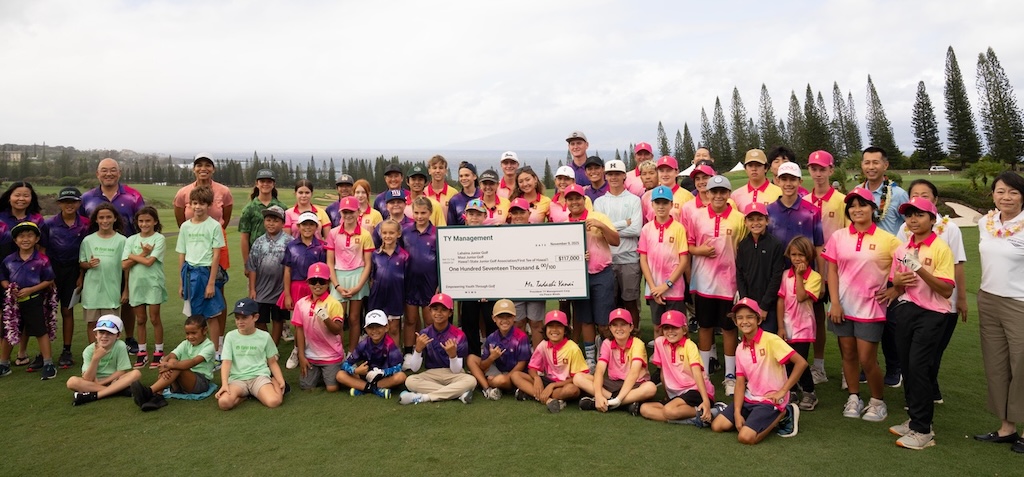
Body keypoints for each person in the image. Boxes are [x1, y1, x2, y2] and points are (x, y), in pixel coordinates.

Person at [880, 197, 954, 450]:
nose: (913, 219)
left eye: (920, 215)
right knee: (907, 366)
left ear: (932, 219)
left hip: (932, 313)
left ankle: (923, 430)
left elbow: (946, 290)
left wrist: (920, 269)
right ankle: (915, 419)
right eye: (909, 215)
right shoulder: (902, 249)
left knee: (919, 367)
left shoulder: (941, 248)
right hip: (907, 309)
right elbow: (897, 282)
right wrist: (898, 282)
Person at [822, 187, 901, 422]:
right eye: (852, 206)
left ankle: (877, 401)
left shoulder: (889, 240)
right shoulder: (839, 237)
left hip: (871, 308)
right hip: (842, 306)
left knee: (867, 359)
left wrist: (896, 289)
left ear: (873, 208)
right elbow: (832, 271)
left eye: (862, 205)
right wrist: (835, 303)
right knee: (848, 354)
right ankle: (854, 397)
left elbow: (909, 267)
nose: (857, 210)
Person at [896, 179, 967, 405]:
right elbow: (900, 262)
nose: (918, 199)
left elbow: (957, 265)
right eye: (914, 195)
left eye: (924, 195)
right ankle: (920, 399)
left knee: (929, 355)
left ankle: (923, 403)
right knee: (913, 358)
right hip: (911, 303)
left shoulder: (950, 229)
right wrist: (896, 283)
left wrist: (961, 299)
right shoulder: (905, 230)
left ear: (934, 202)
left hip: (940, 304)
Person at [974, 171, 1024, 453]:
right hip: (988, 300)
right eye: (1001, 191)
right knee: (996, 365)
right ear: (993, 195)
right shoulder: (986, 222)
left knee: (1022, 366)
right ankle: (1007, 428)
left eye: (1013, 192)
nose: (1006, 197)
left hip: (1019, 303)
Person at [710, 298, 806, 443]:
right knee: (717, 426)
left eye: (750, 317)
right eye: (740, 318)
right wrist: (737, 412)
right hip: (750, 397)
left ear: (758, 319)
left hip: (771, 399)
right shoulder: (740, 348)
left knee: (745, 437)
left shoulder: (771, 340)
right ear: (735, 322)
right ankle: (753, 417)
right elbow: (740, 383)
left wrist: (783, 391)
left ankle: (784, 413)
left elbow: (801, 363)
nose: (745, 321)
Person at [688, 176, 746, 396]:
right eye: (715, 192)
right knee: (705, 326)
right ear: (708, 193)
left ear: (729, 194)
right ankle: (703, 373)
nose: (718, 196)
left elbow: (742, 250)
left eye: (723, 192)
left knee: (729, 328)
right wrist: (699, 251)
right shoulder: (697, 216)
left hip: (729, 284)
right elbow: (689, 245)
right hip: (704, 283)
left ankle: (730, 376)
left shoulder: (739, 219)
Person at [174, 153, 233, 359]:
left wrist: (210, 281)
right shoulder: (183, 196)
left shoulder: (222, 193)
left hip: (210, 263)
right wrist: (181, 280)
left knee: (215, 303)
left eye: (208, 165)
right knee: (194, 310)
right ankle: (199, 349)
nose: (203, 168)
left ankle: (217, 348)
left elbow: (226, 218)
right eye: (199, 165)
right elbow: (181, 226)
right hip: (191, 268)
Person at [859, 146, 909, 387]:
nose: (871, 167)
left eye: (875, 162)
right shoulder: (858, 193)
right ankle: (867, 364)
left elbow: (909, 229)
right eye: (866, 162)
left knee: (890, 322)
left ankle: (894, 368)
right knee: (864, 318)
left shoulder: (898, 194)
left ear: (885, 165)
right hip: (864, 267)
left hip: (891, 267)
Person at [804, 150, 849, 384]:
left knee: (841, 320)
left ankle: (847, 369)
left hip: (838, 270)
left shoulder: (842, 201)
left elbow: (849, 234)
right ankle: (819, 367)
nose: (818, 174)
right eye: (814, 169)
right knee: (816, 318)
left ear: (831, 170)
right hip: (811, 270)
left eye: (822, 169)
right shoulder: (803, 201)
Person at [566, 184, 620, 370]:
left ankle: (607, 351)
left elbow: (615, 241)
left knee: (604, 320)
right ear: (566, 202)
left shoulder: (598, 217)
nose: (574, 202)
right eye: (570, 199)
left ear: (584, 199)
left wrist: (601, 226)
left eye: (577, 198)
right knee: (586, 318)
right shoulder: (564, 224)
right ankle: (590, 357)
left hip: (601, 273)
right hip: (579, 277)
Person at [639, 310, 719, 426]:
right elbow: (663, 372)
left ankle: (710, 410)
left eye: (675, 327)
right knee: (645, 409)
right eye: (666, 328)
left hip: (695, 390)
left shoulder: (689, 345)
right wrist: (668, 397)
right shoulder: (659, 342)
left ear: (684, 329)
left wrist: (706, 400)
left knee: (669, 410)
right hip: (676, 394)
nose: (670, 331)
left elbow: (697, 373)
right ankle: (696, 418)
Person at [0, 221, 57, 379]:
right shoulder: (8, 260)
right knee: (9, 332)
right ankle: (3, 364)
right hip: (13, 304)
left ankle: (48, 363)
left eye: (30, 235)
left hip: (33, 300)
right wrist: (9, 288)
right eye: (21, 236)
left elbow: (49, 280)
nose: (25, 239)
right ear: (15, 240)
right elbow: (3, 278)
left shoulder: (42, 260)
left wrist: (31, 289)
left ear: (36, 239)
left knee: (40, 331)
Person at [1, 182, 49, 369]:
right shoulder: (1, 216)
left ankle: (22, 352)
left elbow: (42, 247)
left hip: (29, 275)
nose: (21, 199)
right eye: (17, 195)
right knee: (6, 316)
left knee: (25, 314)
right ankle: (3, 359)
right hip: (4, 272)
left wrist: (41, 270)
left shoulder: (37, 219)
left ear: (31, 198)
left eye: (26, 195)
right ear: (9, 196)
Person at [41, 187, 90, 369]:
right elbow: (42, 251)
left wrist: (81, 275)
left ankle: (66, 350)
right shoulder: (49, 224)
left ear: (79, 203)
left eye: (73, 201)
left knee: (67, 311)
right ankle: (42, 352)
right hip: (52, 271)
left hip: (73, 271)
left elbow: (87, 252)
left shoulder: (86, 224)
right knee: (47, 312)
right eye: (65, 201)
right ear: (59, 203)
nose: (69, 205)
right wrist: (47, 276)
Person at [574, 309, 657, 414]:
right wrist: (598, 395)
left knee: (650, 388)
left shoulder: (637, 343)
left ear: (631, 327)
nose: (619, 328)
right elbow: (599, 370)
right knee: (578, 377)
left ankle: (609, 403)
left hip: (635, 384)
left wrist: (618, 399)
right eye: (615, 325)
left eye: (623, 325)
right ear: (610, 328)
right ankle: (623, 404)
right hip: (613, 384)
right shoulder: (607, 343)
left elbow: (634, 373)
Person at [400, 293, 476, 405]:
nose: (439, 313)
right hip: (432, 373)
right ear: (430, 311)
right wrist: (418, 350)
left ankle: (424, 397)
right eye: (435, 309)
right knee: (410, 381)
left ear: (450, 313)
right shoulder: (424, 333)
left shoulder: (459, 335)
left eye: (443, 310)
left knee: (471, 381)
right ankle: (458, 394)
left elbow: (456, 370)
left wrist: (453, 356)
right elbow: (415, 369)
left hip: (453, 374)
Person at [128, 315, 215, 412]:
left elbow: (193, 362)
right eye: (187, 333)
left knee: (176, 364)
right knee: (172, 361)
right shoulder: (185, 343)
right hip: (179, 384)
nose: (190, 337)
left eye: (194, 333)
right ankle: (158, 396)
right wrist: (165, 365)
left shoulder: (209, 346)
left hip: (200, 383)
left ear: (205, 330)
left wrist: (170, 365)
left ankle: (150, 392)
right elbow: (170, 356)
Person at [595, 159, 643, 328]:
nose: (614, 177)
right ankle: (614, 336)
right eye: (610, 174)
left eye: (617, 174)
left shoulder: (634, 200)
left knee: (630, 302)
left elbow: (636, 229)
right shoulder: (599, 202)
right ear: (606, 176)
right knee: (611, 303)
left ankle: (634, 334)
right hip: (607, 260)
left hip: (629, 259)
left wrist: (608, 229)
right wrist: (624, 223)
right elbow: (599, 230)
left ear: (624, 176)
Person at [777, 236, 822, 411]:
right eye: (793, 254)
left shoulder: (815, 277)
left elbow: (802, 297)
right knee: (787, 360)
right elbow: (781, 300)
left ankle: (809, 391)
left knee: (800, 360)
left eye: (801, 255)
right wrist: (781, 326)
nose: (796, 259)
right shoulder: (784, 275)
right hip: (787, 324)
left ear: (809, 256)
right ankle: (793, 390)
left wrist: (799, 276)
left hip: (804, 326)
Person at [510, 310, 587, 413]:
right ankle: (549, 400)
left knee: (572, 390)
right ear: (545, 329)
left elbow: (577, 378)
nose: (554, 330)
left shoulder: (573, 348)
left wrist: (553, 386)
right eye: (550, 326)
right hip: (547, 381)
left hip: (565, 384)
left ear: (565, 330)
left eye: (559, 326)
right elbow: (532, 367)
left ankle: (532, 394)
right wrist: (536, 378)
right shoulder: (543, 344)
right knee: (515, 375)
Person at [638, 185, 689, 338]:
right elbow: (643, 260)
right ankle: (660, 354)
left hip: (674, 288)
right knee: (658, 328)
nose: (661, 206)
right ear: (652, 204)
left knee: (678, 328)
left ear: (671, 204)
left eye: (665, 203)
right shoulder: (646, 229)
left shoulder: (679, 228)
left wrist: (666, 285)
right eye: (657, 202)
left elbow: (683, 260)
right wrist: (654, 288)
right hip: (654, 289)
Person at [215, 298, 285, 410]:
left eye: (244, 317)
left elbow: (272, 362)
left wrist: (280, 380)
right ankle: (245, 396)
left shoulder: (265, 336)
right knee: (224, 403)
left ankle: (273, 382)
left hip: (259, 377)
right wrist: (224, 384)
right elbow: (226, 362)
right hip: (237, 379)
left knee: (274, 401)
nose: (240, 321)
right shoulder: (230, 336)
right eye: (237, 318)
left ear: (255, 317)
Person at [121, 206, 167, 369]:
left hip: (153, 283)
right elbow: (124, 265)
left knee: (154, 318)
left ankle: (159, 352)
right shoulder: (131, 240)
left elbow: (149, 262)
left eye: (148, 220)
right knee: (140, 319)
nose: (144, 224)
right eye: (141, 221)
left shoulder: (159, 238)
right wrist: (142, 253)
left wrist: (132, 256)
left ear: (155, 222)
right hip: (136, 285)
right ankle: (142, 353)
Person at [325, 197, 373, 352]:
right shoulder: (333, 233)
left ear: (358, 212)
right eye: (344, 212)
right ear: (340, 213)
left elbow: (368, 263)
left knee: (354, 318)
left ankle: (352, 352)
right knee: (338, 318)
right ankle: (338, 352)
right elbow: (330, 262)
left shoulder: (365, 234)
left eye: (351, 212)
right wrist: (337, 286)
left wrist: (358, 286)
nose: (348, 215)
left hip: (358, 277)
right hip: (338, 276)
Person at [292, 263, 346, 392]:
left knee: (332, 388)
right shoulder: (301, 303)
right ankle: (323, 373)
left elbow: (336, 330)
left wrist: (326, 318)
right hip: (311, 355)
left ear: (328, 282)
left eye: (321, 281)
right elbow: (299, 330)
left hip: (331, 355)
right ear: (308, 283)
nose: (317, 285)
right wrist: (301, 356)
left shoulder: (334, 304)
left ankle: (331, 371)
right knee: (306, 386)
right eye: (313, 281)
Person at [66, 315, 142, 406]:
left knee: (136, 373)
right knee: (72, 382)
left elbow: (121, 371)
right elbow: (87, 379)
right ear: (96, 335)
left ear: (118, 335)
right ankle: (118, 391)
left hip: (115, 380)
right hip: (93, 383)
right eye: (101, 332)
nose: (104, 336)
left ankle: (94, 395)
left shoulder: (120, 345)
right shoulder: (88, 350)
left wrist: (102, 383)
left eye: (109, 333)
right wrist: (95, 358)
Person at [80, 203, 127, 344]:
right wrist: (89, 264)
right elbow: (82, 262)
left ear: (115, 218)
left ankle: (110, 355)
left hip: (112, 291)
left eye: (108, 217)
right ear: (96, 220)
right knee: (92, 324)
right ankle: (94, 353)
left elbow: (126, 268)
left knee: (111, 326)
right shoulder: (88, 240)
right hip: (92, 291)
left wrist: (126, 290)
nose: (105, 221)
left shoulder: (122, 241)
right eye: (101, 218)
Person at [467, 299, 531, 400]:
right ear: (494, 318)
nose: (504, 320)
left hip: (515, 374)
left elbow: (522, 364)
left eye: (508, 316)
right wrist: (491, 358)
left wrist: (507, 378)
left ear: (514, 317)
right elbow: (483, 366)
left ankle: (488, 383)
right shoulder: (491, 338)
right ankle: (487, 389)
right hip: (497, 370)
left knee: (500, 380)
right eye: (500, 317)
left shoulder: (521, 337)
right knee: (471, 358)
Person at [735, 203, 785, 334]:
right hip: (749, 304)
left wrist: (764, 306)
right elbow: (740, 274)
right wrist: (745, 302)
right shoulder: (743, 245)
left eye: (760, 219)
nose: (755, 223)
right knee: (750, 339)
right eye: (751, 219)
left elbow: (776, 277)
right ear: (745, 222)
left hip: (769, 306)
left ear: (767, 221)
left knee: (767, 339)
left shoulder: (775, 245)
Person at [246, 205, 292, 343]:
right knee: (260, 320)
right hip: (261, 289)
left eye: (275, 220)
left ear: (283, 223)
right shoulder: (258, 242)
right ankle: (267, 344)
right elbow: (252, 267)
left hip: (280, 289)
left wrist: (287, 291)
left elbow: (290, 268)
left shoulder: (289, 242)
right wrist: (252, 289)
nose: (271, 223)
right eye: (268, 220)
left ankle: (274, 346)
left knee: (278, 319)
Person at [457, 199, 497, 355]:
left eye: (478, 214)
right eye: (471, 214)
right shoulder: (456, 236)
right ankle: (472, 355)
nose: (474, 217)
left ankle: (491, 354)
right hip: (468, 287)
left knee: (491, 321)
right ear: (465, 216)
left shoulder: (493, 234)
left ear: (485, 216)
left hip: (490, 286)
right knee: (469, 322)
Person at [337, 309, 407, 398]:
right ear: (366, 329)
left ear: (386, 327)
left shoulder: (390, 345)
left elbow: (398, 368)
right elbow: (346, 364)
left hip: (384, 377)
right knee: (340, 375)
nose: (374, 330)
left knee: (401, 377)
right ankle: (374, 389)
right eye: (370, 327)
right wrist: (355, 370)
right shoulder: (363, 344)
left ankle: (364, 388)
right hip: (366, 375)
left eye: (378, 327)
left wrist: (382, 372)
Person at [402, 197, 438, 356]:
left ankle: (431, 352)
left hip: (430, 283)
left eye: (423, 213)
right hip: (410, 282)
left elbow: (443, 260)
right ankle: (409, 353)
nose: (420, 216)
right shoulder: (405, 232)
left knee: (430, 320)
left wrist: (440, 284)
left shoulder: (436, 233)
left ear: (430, 212)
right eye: (416, 212)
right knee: (410, 320)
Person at [368, 219, 408, 344]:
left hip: (395, 297)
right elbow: (371, 277)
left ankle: (393, 353)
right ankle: (377, 353)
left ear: (398, 234)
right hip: (377, 297)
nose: (388, 236)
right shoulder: (375, 255)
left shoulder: (404, 256)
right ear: (380, 234)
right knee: (376, 328)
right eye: (384, 233)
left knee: (394, 329)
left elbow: (407, 279)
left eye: (391, 233)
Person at [238, 169, 287, 270]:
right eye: (262, 181)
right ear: (257, 184)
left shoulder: (282, 207)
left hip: (278, 258)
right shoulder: (249, 209)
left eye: (269, 181)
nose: (265, 184)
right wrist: (246, 264)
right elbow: (244, 238)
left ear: (273, 184)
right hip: (256, 258)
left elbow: (286, 234)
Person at [640, 156, 694, 224]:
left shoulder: (688, 197)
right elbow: (644, 223)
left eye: (668, 170)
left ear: (676, 172)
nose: (665, 174)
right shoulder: (646, 197)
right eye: (661, 171)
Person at [731, 149, 782, 213]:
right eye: (750, 165)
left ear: (766, 168)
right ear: (745, 169)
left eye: (758, 165)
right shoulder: (735, 195)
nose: (754, 169)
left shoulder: (780, 193)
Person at [446, 161, 480, 227]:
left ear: (474, 176)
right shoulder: (454, 200)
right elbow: (451, 227)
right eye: (461, 176)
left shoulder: (483, 196)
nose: (463, 178)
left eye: (467, 175)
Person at [425, 155, 457, 220]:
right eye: (434, 168)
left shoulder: (454, 193)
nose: (438, 171)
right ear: (429, 171)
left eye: (441, 168)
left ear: (446, 171)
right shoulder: (424, 193)